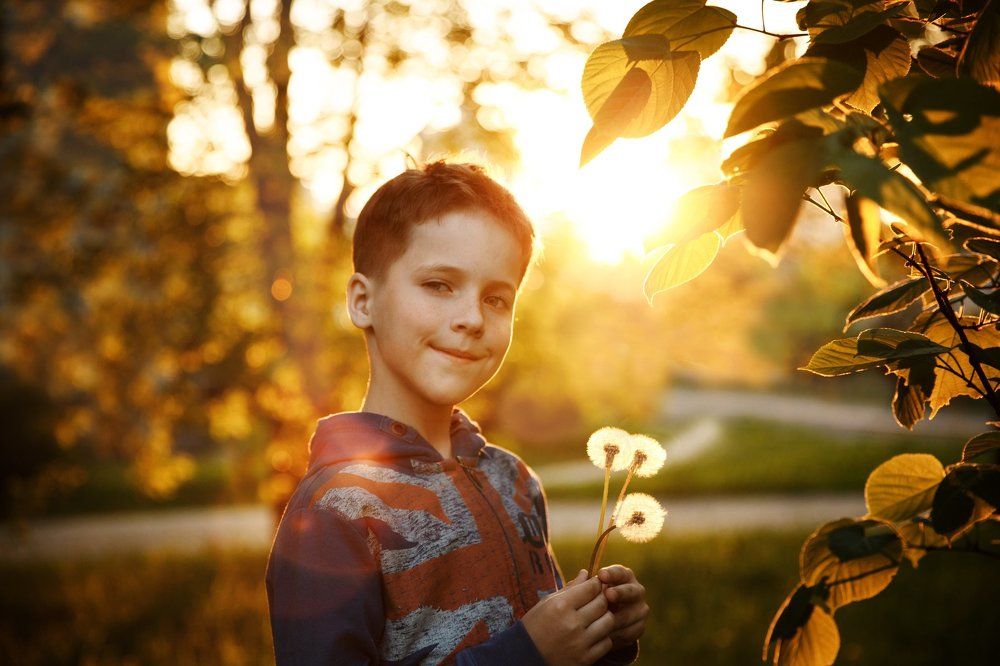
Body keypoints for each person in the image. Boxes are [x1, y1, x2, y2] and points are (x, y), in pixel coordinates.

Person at [265, 161, 649, 665]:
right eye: (439, 285)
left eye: (496, 298)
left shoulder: (515, 480)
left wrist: (598, 633)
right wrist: (526, 654)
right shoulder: (332, 512)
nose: (472, 318)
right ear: (363, 302)